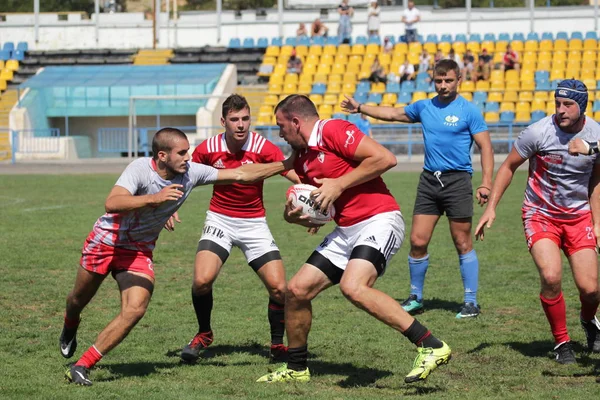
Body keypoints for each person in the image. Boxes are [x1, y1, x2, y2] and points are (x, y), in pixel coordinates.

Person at [60, 127, 295, 386]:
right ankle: (70, 324)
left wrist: (286, 164)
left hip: (138, 250)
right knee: (78, 299)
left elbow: (241, 174)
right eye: (182, 153)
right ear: (162, 155)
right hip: (106, 242)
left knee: (136, 308)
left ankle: (82, 365)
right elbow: (112, 202)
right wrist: (155, 200)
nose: (188, 157)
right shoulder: (140, 168)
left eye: (188, 152)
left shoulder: (192, 172)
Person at [256, 94, 451, 384]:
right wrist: (293, 216)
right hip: (346, 230)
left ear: (296, 122)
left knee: (353, 286)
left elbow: (386, 158)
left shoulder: (333, 130)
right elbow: (319, 206)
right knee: (296, 291)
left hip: (379, 219)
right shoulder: (303, 157)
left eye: (281, 126)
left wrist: (339, 184)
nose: (280, 134)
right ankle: (297, 368)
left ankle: (431, 345)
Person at [341, 59, 494, 319]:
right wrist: (359, 107)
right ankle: (416, 298)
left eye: (448, 80)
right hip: (429, 182)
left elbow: (486, 148)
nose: (443, 85)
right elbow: (394, 113)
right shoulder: (424, 107)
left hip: (457, 182)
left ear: (459, 80)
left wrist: (486, 183)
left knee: (462, 241)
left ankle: (470, 302)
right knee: (417, 241)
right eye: (439, 80)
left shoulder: (469, 111)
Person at [475, 79, 600, 364]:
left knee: (591, 289)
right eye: (557, 103)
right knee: (551, 276)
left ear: (582, 106)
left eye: (568, 104)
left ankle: (588, 320)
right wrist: (491, 208)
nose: (561, 110)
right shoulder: (537, 132)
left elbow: (596, 180)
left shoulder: (595, 134)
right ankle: (561, 342)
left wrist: (597, 222)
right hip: (540, 214)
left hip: (578, 216)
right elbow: (508, 167)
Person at [179, 95, 301, 363]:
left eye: (245, 118)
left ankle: (277, 345)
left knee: (280, 289)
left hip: (254, 223)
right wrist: (171, 206)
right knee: (201, 282)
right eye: (234, 119)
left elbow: (290, 171)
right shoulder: (209, 148)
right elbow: (185, 176)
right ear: (223, 121)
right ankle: (204, 333)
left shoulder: (262, 146)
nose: (241, 124)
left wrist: (315, 191)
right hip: (219, 220)